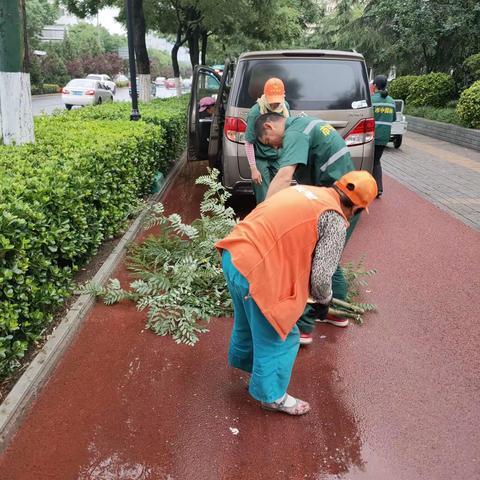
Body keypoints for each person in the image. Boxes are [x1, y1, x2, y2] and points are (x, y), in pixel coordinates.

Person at [216, 171, 378, 415]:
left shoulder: (306, 191)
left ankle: (251, 367)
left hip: (233, 254)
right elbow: (322, 276)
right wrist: (323, 301)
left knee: (250, 321)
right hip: (256, 271)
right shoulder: (334, 219)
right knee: (282, 333)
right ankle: (272, 397)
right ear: (355, 208)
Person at [254, 112, 360, 344]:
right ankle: (332, 310)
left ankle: (302, 326)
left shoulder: (294, 132)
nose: (273, 148)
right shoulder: (304, 123)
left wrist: (262, 217)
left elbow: (283, 176)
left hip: (338, 203)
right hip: (348, 198)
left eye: (267, 141)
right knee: (328, 256)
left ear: (270, 127)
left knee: (307, 259)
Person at [244, 78, 290, 203]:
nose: (275, 105)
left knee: (281, 193)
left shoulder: (285, 107)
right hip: (261, 158)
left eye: (277, 101)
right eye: (272, 101)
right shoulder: (256, 112)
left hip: (278, 156)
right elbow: (249, 142)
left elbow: (287, 134)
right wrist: (253, 169)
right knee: (264, 196)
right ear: (265, 95)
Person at [371, 75, 396, 197]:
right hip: (384, 137)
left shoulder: (371, 100)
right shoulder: (391, 101)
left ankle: (374, 188)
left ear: (374, 85)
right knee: (376, 161)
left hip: (372, 136)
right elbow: (394, 118)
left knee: (372, 162)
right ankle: (377, 187)